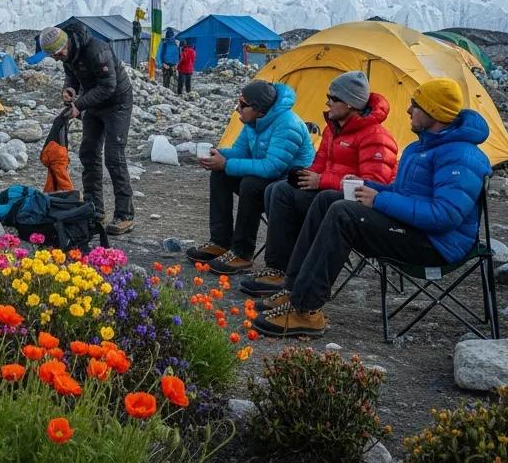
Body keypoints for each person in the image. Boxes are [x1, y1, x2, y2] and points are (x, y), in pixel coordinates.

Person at [253, 78, 491, 338]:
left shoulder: (462, 156)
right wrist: (360, 185)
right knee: (328, 199)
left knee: (344, 213)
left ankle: (305, 310)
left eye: (415, 105)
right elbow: (403, 193)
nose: (409, 111)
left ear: (433, 112)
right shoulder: (419, 148)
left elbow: (444, 216)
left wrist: (378, 200)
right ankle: (294, 289)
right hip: (413, 229)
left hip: (437, 245)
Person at [240, 71, 398, 301]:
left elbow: (375, 184)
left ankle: (293, 275)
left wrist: (321, 181)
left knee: (294, 196)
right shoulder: (333, 129)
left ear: (350, 103)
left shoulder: (376, 136)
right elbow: (320, 163)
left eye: (333, 98)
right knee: (280, 189)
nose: (327, 102)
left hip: (350, 204)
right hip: (327, 191)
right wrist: (307, 176)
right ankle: (279, 268)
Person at [186, 80, 314, 273]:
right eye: (238, 102)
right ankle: (220, 242)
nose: (238, 108)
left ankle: (242, 253)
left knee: (250, 184)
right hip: (268, 178)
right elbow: (240, 151)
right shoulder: (253, 122)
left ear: (260, 110)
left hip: (289, 185)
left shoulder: (288, 124)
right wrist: (217, 155)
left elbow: (272, 167)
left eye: (243, 105)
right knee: (220, 174)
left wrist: (227, 164)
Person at [39, 19, 135, 235]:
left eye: (57, 54)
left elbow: (108, 86)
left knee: (114, 156)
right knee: (88, 153)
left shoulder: (96, 50)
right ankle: (94, 208)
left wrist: (79, 105)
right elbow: (71, 75)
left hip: (117, 103)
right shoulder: (69, 55)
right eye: (53, 56)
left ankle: (124, 215)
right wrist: (69, 89)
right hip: (94, 103)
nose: (56, 58)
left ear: (66, 44)